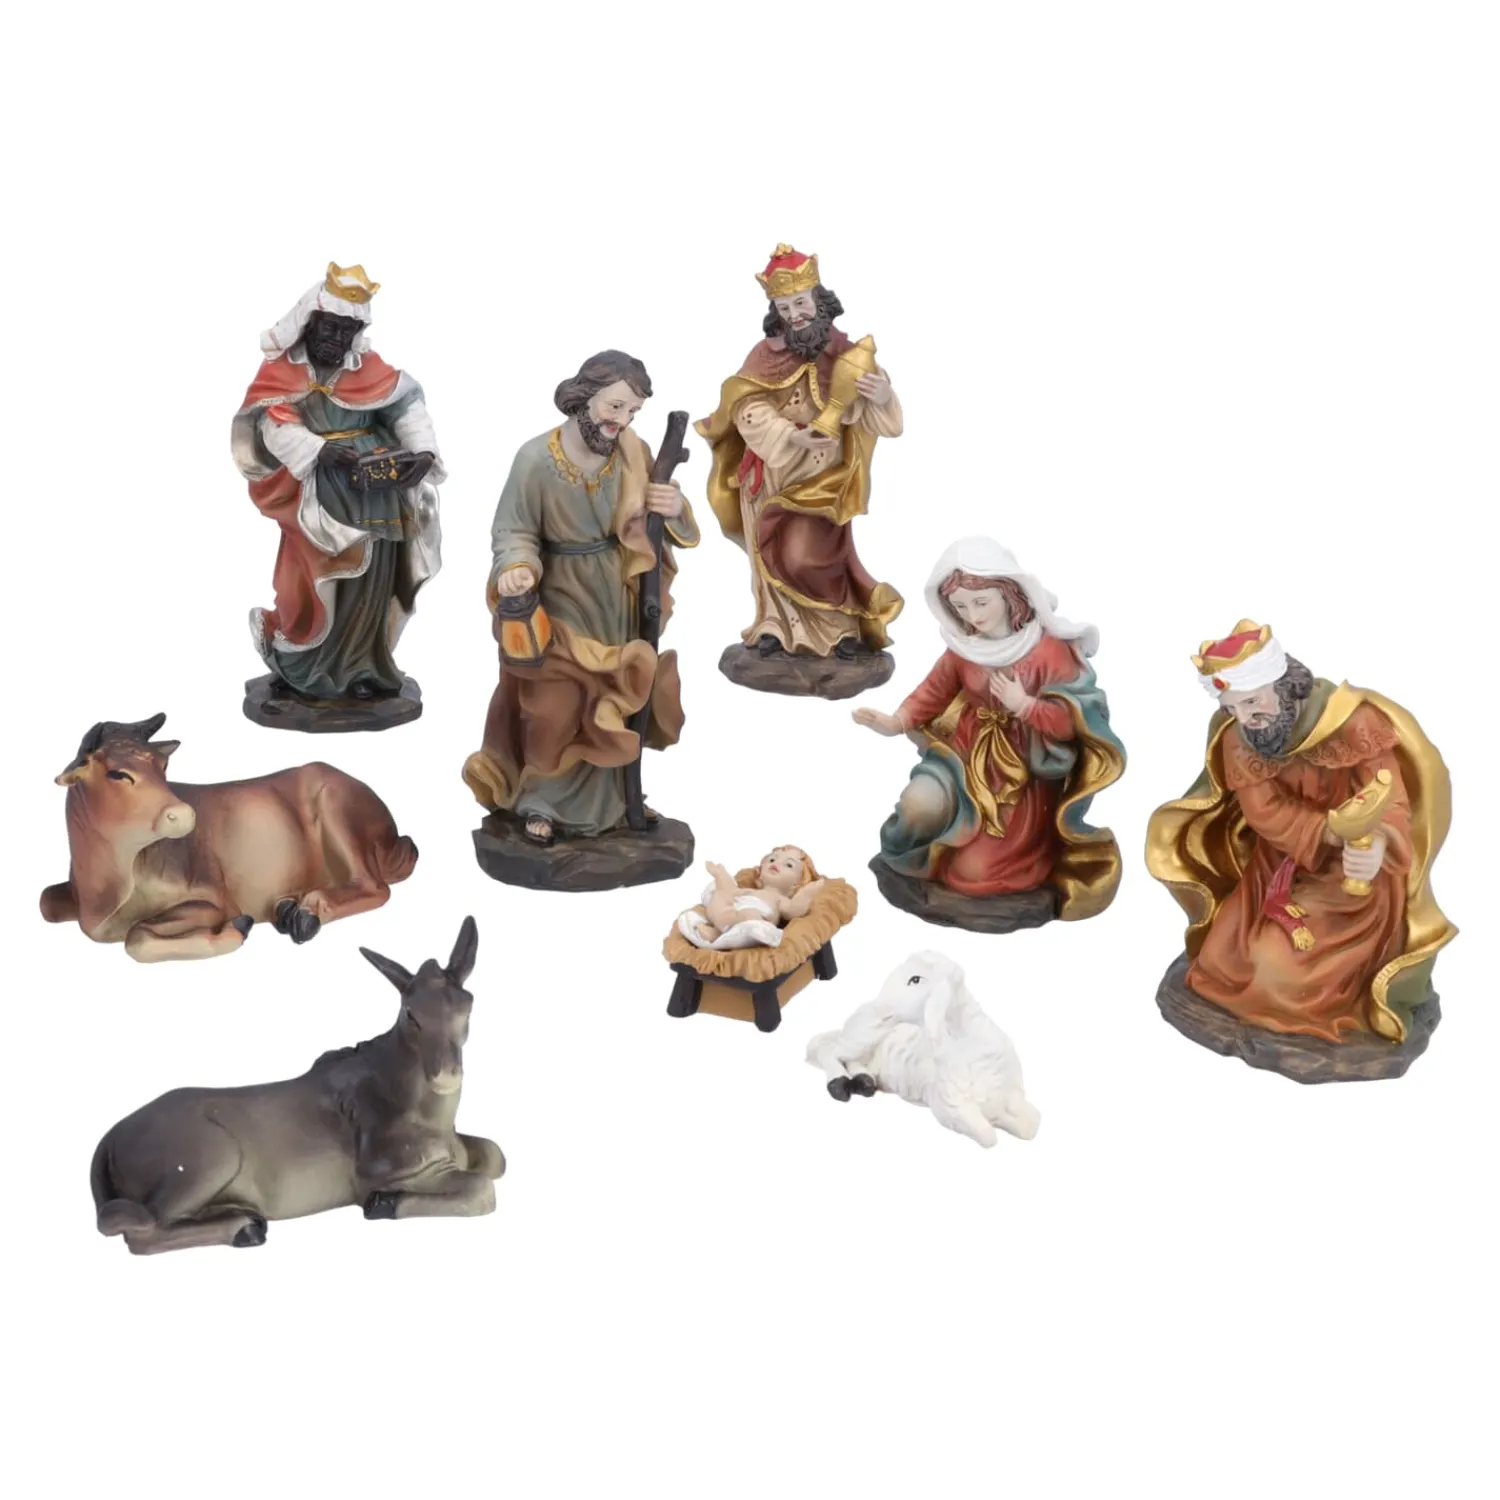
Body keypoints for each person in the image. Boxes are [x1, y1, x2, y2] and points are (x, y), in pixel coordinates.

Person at [1147, 621, 1456, 1042]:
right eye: (1232, 709)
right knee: (1219, 962)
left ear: (1283, 685)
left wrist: (1378, 843)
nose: (1246, 718)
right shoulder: (1240, 738)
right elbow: (1265, 811)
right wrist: (1327, 830)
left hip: (1351, 872)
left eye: (1252, 701)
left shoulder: (1353, 723)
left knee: (1274, 967)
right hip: (1281, 862)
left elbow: (1391, 800)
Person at [462, 351, 696, 844]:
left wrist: (673, 507)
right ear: (583, 397)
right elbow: (513, 529)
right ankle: (540, 800)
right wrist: (517, 568)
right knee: (554, 706)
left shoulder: (632, 451)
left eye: (632, 411)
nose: (621, 421)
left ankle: (616, 804)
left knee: (614, 699)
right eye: (615, 406)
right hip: (559, 597)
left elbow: (661, 517)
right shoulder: (535, 459)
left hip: (616, 597)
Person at [855, 538, 1124, 917]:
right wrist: (895, 722)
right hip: (961, 758)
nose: (973, 615)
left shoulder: (1049, 651)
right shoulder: (965, 648)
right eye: (960, 606)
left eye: (981, 602)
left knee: (976, 875)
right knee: (917, 806)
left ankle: (999, 858)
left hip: (1021, 775)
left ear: (1009, 593)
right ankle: (913, 863)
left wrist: (1025, 706)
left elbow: (1074, 723)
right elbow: (932, 691)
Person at [231, 263, 445, 701]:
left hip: (378, 491)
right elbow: (273, 422)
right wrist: (318, 450)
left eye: (347, 330)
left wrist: (423, 452)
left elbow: (405, 408)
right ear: (309, 322)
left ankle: (365, 664)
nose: (336, 338)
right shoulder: (281, 371)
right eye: (330, 326)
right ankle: (305, 666)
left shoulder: (368, 367)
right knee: (314, 577)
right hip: (318, 493)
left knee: (374, 579)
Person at [696, 245, 903, 660]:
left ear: (818, 300)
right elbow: (745, 407)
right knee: (769, 550)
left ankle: (839, 628)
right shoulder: (764, 355)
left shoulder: (848, 354)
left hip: (824, 476)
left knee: (813, 555)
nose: (794, 314)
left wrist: (881, 395)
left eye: (801, 303)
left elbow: (887, 423)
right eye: (784, 307)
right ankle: (773, 623)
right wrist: (791, 435)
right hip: (773, 472)